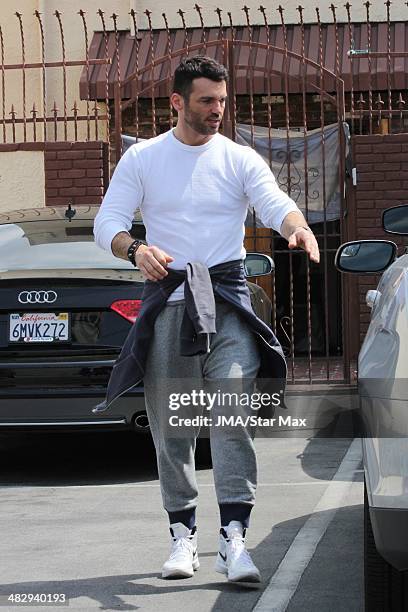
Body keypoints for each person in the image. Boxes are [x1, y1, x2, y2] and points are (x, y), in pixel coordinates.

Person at [93, 56, 320, 584]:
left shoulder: (240, 159)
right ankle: (182, 537)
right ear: (177, 102)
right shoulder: (144, 159)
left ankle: (234, 539)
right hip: (170, 302)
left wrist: (297, 226)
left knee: (230, 416)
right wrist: (135, 249)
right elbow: (108, 222)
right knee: (173, 430)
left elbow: (273, 202)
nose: (217, 110)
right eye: (205, 101)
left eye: (222, 100)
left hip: (228, 303)